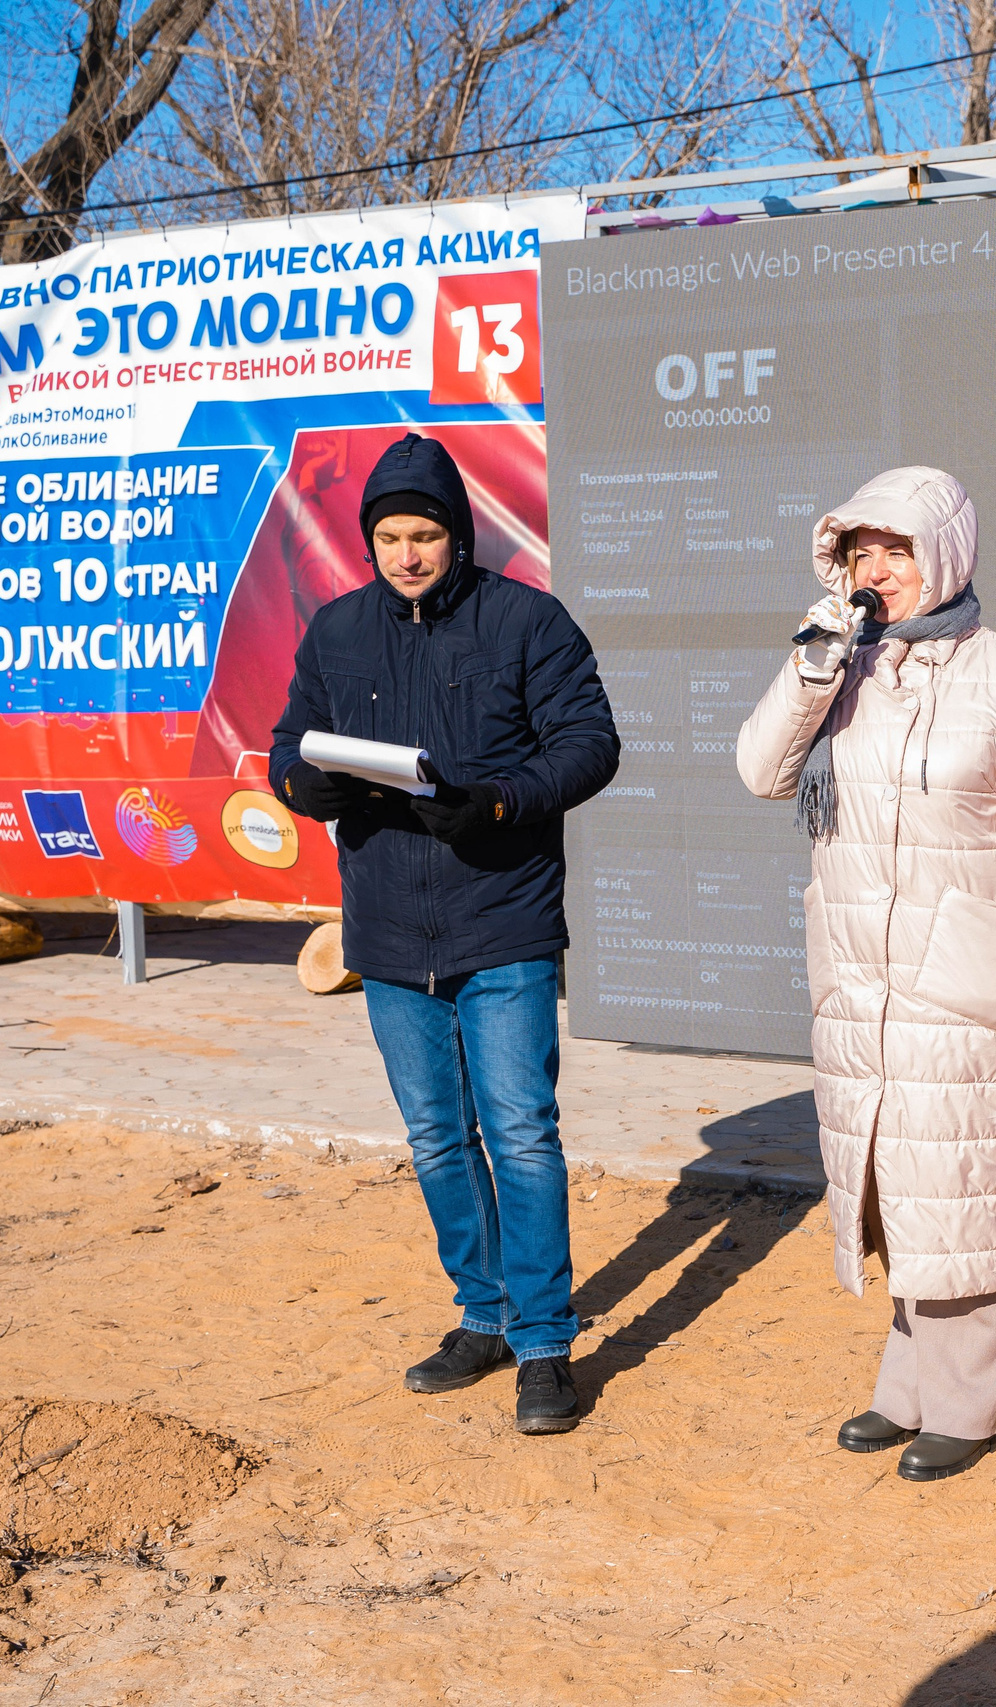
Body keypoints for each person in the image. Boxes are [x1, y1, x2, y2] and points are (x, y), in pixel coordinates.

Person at [736, 465, 996, 1483]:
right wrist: (812, 666)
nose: (878, 570)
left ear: (942, 554)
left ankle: (969, 1405)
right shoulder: (837, 666)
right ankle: (910, 1387)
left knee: (968, 1191)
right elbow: (763, 772)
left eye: (897, 550)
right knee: (898, 1189)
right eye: (861, 552)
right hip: (860, 976)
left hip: (974, 980)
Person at [270, 433, 620, 1435]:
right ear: (367, 541)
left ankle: (546, 1343)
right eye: (389, 537)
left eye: (425, 534)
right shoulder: (336, 632)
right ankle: (484, 1318)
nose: (408, 554)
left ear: (458, 535)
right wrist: (307, 784)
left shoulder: (526, 622)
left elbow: (590, 744)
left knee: (519, 1132)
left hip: (499, 918)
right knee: (435, 1138)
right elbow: (287, 750)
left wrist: (500, 803)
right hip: (385, 933)